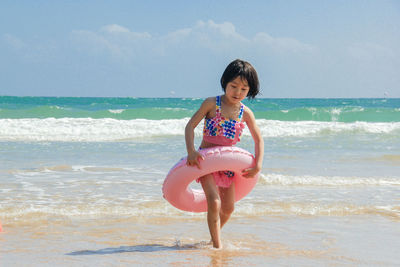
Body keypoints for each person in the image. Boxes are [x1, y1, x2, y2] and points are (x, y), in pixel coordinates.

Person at [185, 59, 264, 248]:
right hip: (206, 162)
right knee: (214, 202)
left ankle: (213, 238)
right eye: (233, 86)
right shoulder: (212, 104)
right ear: (225, 83)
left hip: (227, 166)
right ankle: (217, 247)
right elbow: (190, 126)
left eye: (244, 89)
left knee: (228, 208)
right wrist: (191, 151)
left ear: (250, 90)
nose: (238, 92)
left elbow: (258, 139)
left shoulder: (245, 112)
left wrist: (258, 164)